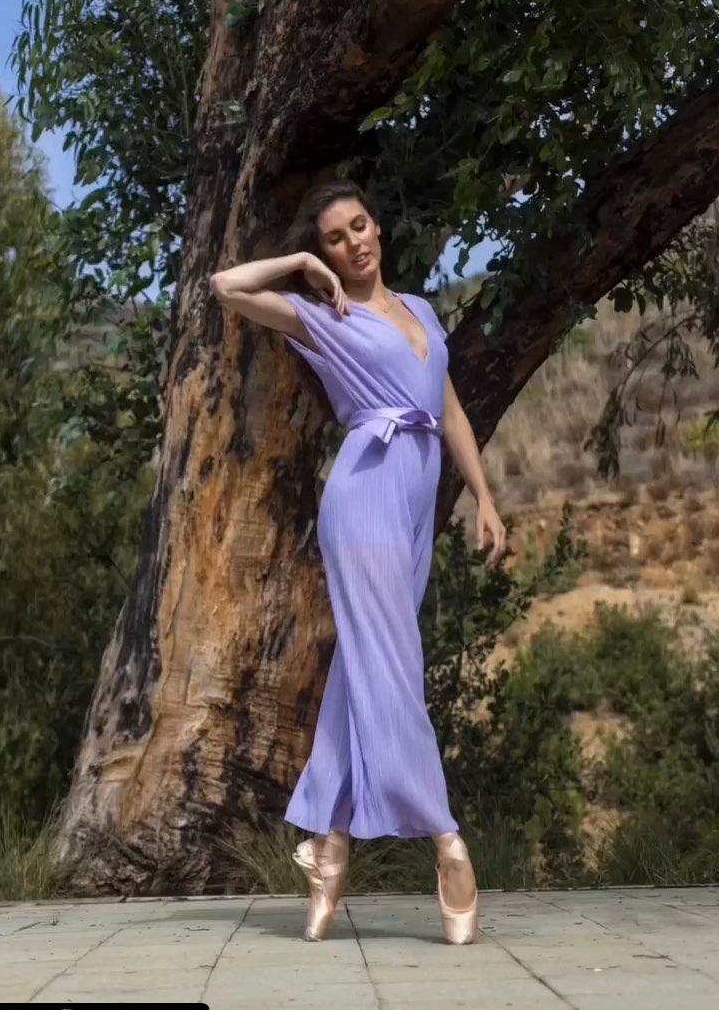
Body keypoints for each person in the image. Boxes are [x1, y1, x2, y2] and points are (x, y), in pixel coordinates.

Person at [210, 179, 506, 944]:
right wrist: (299, 264)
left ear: (379, 227)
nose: (353, 243)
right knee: (393, 664)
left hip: (415, 504)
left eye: (359, 226)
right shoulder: (322, 316)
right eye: (335, 238)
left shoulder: (424, 313)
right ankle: (446, 841)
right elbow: (226, 286)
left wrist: (483, 496)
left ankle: (329, 849)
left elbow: (449, 412)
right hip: (364, 494)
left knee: (363, 665)